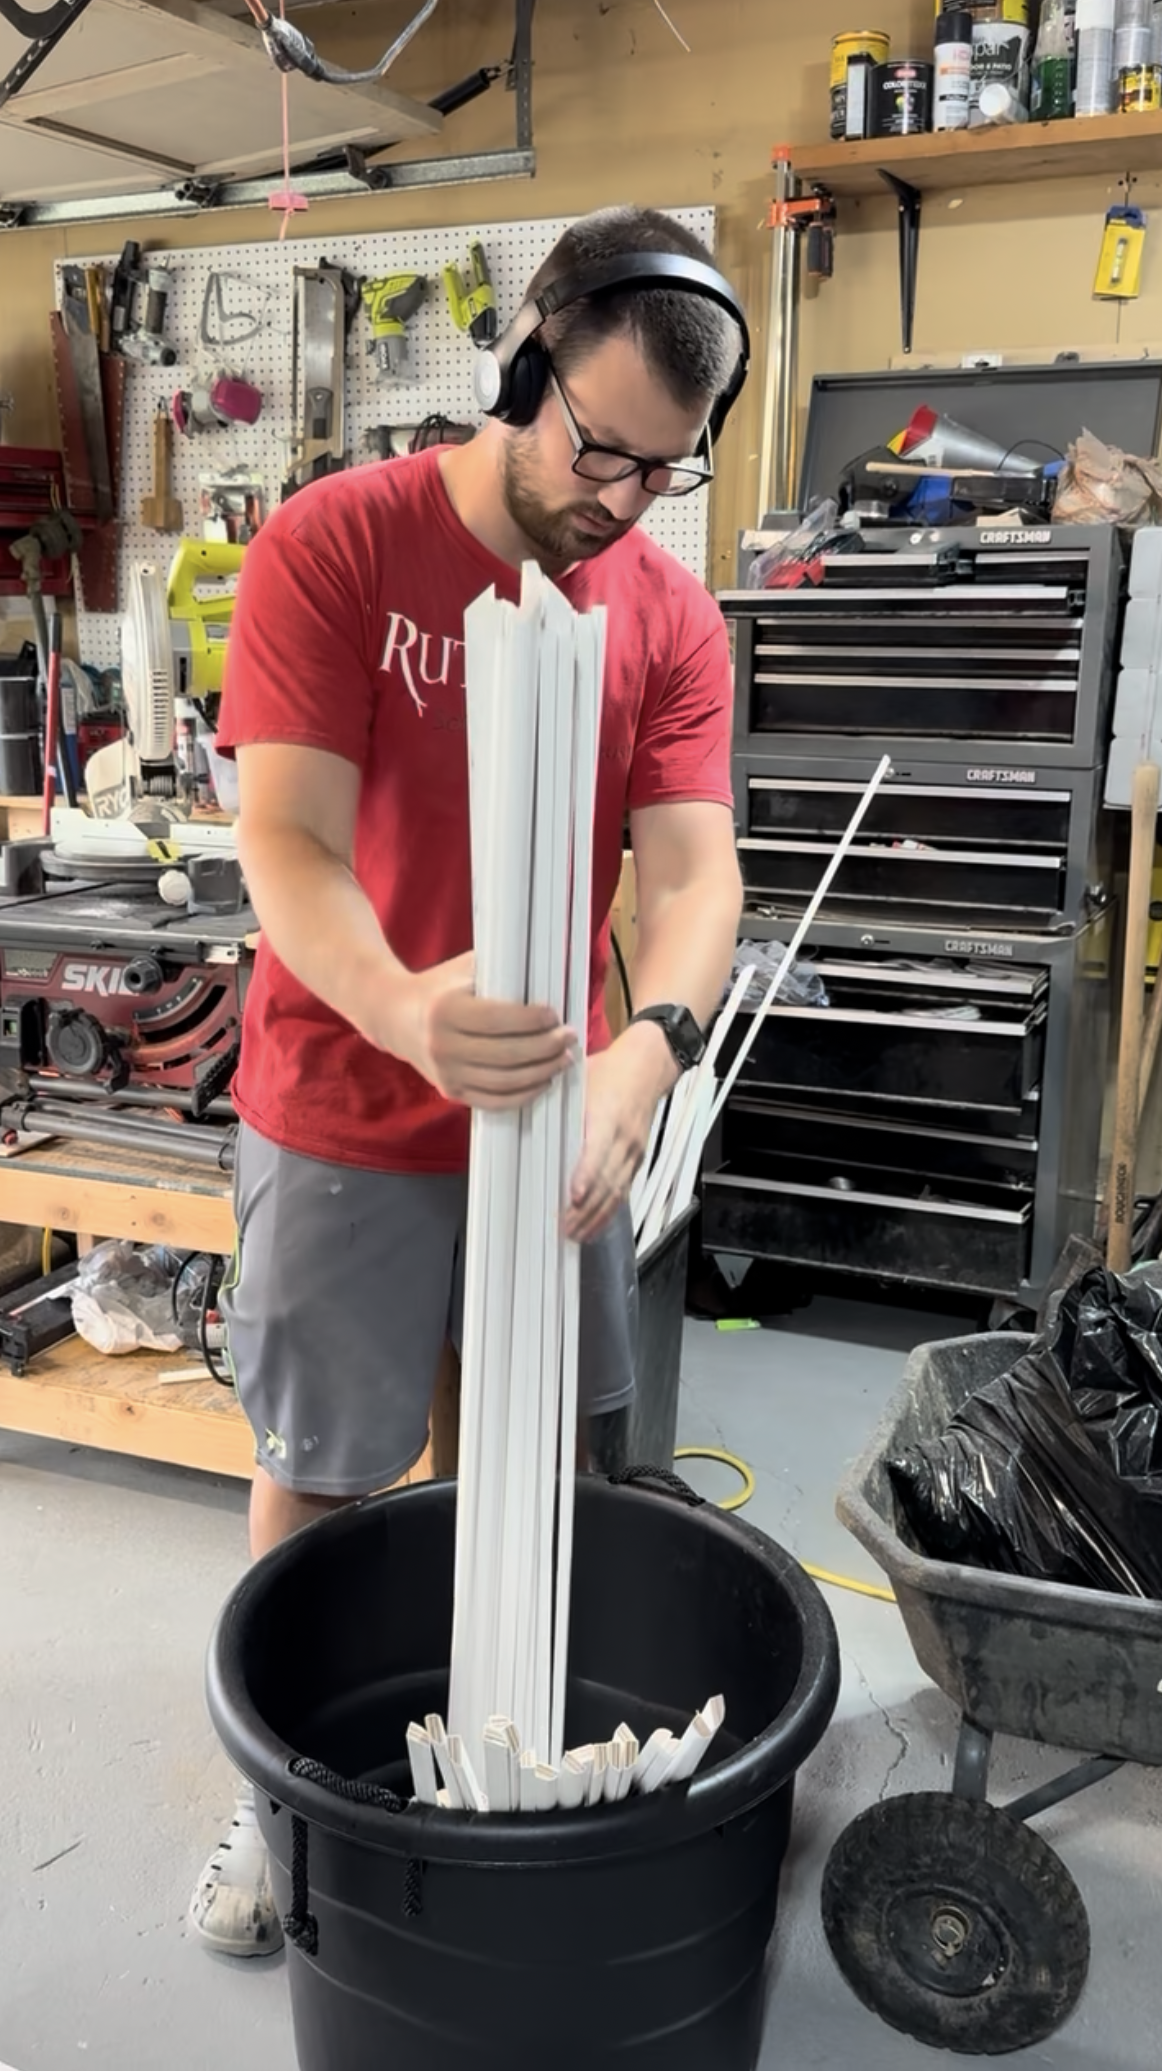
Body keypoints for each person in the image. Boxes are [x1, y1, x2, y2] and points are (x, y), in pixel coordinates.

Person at [189, 204, 747, 1955]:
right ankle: (278, 1793)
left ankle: (498, 1766)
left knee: (529, 1453)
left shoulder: (657, 612)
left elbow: (693, 874)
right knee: (325, 1467)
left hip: (547, 1115)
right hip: (346, 1104)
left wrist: (642, 1057)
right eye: (598, 449)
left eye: (665, 471)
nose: (621, 499)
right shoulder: (331, 546)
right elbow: (279, 838)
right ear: (522, 360)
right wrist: (398, 1006)